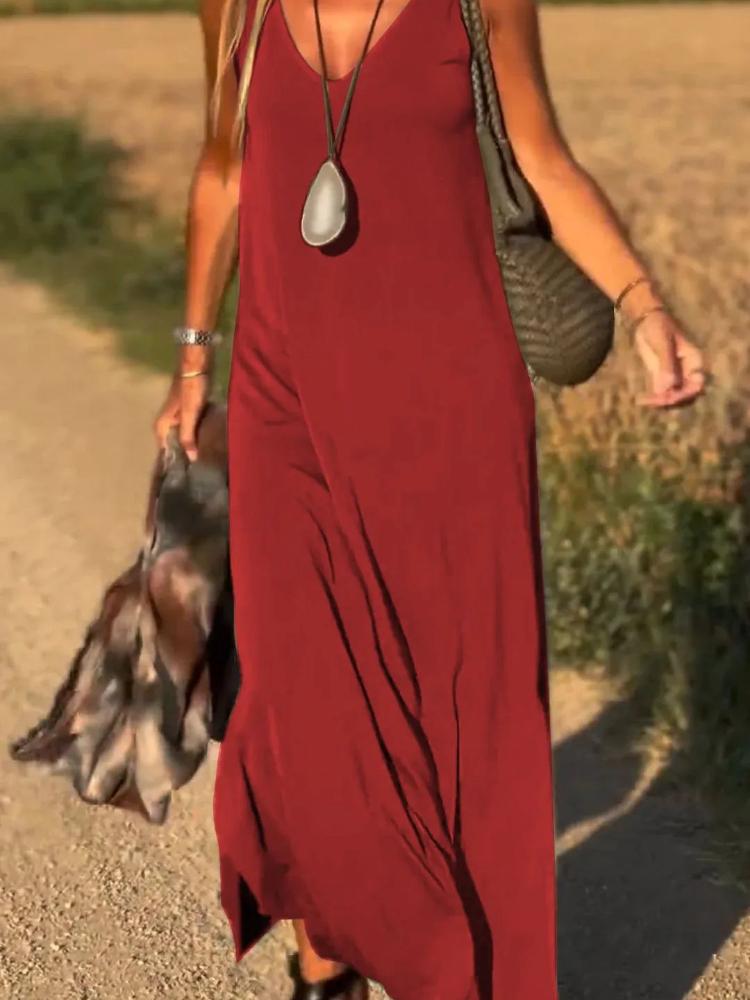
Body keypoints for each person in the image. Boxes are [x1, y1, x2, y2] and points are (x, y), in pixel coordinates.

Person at [153, 0, 706, 996]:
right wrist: (194, 360)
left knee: (457, 708)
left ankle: (393, 966)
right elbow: (224, 171)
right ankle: (342, 948)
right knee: (300, 700)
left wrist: (646, 305)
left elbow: (543, 160)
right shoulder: (236, 7)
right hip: (286, 408)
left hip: (453, 412)